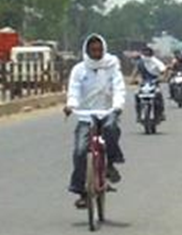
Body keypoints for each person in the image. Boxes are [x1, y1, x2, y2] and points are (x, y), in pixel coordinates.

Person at [64, 33, 126, 208]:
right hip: (85, 114)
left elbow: (119, 87)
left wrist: (118, 105)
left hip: (107, 110)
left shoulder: (112, 66)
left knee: (111, 128)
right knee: (80, 151)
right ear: (87, 50)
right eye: (93, 50)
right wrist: (71, 105)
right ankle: (80, 190)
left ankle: (111, 163)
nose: (96, 53)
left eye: (99, 49)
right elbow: (74, 90)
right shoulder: (79, 69)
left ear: (104, 49)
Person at [133, 45, 167, 122]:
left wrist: (162, 78)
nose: (146, 54)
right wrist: (133, 79)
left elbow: (163, 70)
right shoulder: (140, 62)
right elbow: (135, 72)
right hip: (144, 83)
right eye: (144, 52)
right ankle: (138, 114)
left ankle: (161, 113)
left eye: (147, 52)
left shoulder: (155, 61)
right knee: (137, 95)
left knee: (158, 95)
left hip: (154, 82)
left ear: (151, 53)